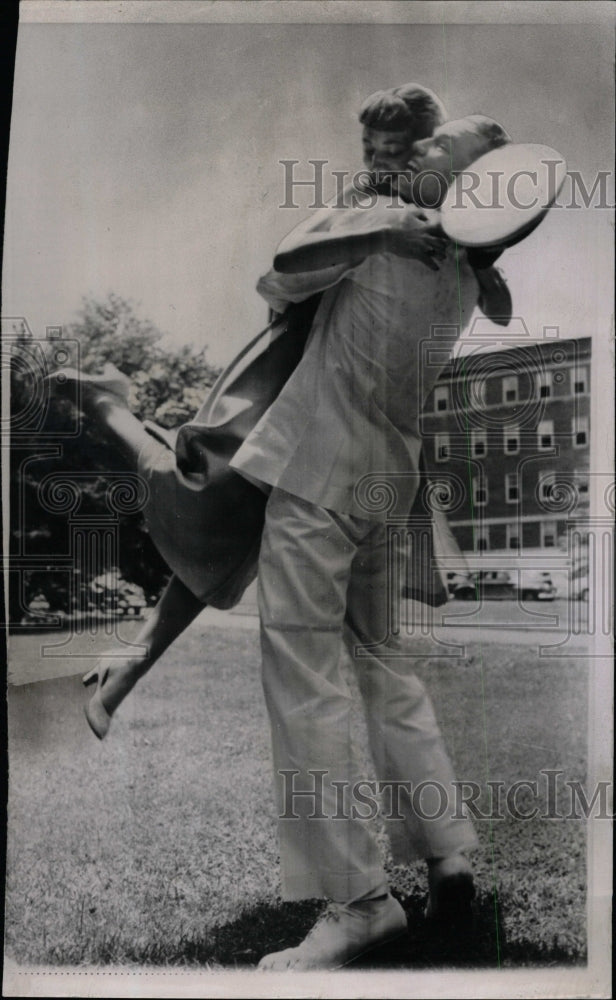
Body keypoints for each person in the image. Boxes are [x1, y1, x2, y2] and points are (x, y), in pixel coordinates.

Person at [47, 84, 459, 740]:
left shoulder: (449, 221)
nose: (384, 168)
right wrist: (375, 236)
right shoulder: (364, 208)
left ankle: (121, 674)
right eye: (372, 154)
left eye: (399, 155)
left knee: (236, 540)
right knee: (213, 495)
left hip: (364, 420)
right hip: (295, 381)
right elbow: (284, 272)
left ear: (432, 153)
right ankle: (105, 403)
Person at [227, 115, 512, 972]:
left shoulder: (381, 229)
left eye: (439, 147)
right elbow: (495, 290)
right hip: (388, 483)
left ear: (456, 185)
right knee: (386, 668)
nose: (419, 146)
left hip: (317, 471)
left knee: (304, 679)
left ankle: (358, 904)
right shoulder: (468, 270)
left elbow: (276, 278)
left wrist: (366, 218)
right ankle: (446, 858)